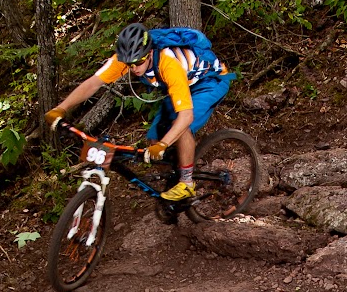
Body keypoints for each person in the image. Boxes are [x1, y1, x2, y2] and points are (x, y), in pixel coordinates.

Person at [45, 23, 234, 202]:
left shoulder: (168, 64)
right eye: (130, 64)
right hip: (183, 85)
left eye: (139, 62)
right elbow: (93, 83)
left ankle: (186, 182)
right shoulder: (126, 58)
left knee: (180, 126)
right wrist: (61, 108)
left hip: (209, 82)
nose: (134, 68)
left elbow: (186, 116)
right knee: (154, 137)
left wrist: (164, 144)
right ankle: (173, 177)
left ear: (149, 52)